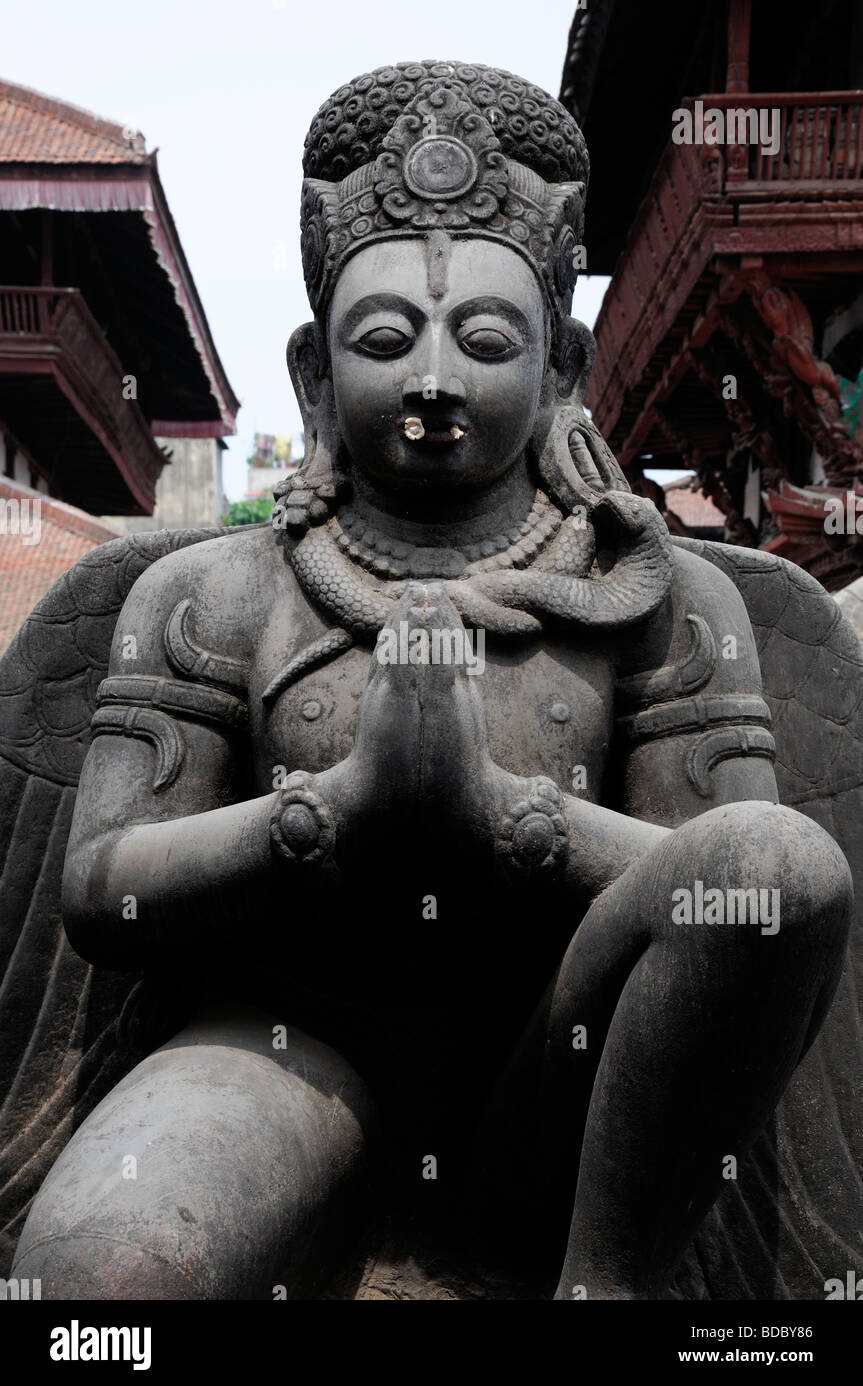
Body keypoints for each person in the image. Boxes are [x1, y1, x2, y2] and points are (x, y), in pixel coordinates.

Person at [11, 60, 850, 1301]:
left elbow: (724, 894)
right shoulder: (214, 595)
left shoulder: (666, 599)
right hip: (284, 1041)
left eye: (487, 339)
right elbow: (102, 886)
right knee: (106, 1276)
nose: (433, 382)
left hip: (562, 1056)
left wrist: (508, 816)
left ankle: (599, 1284)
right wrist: (331, 812)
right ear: (312, 376)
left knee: (779, 865)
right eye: (386, 340)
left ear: (561, 368)